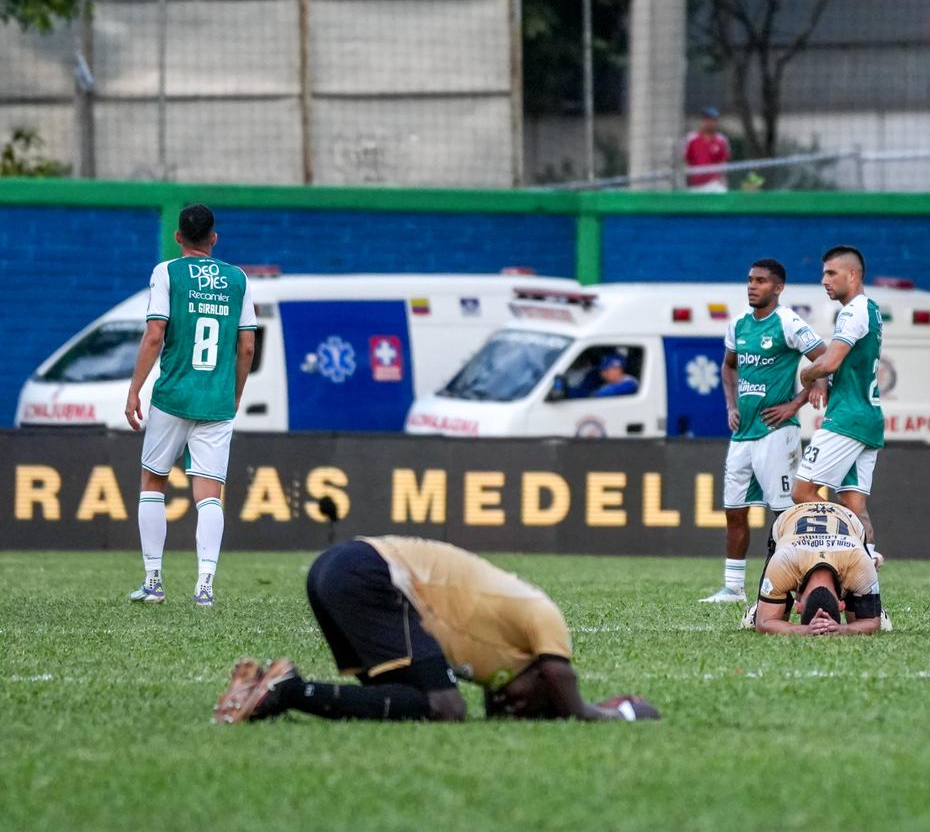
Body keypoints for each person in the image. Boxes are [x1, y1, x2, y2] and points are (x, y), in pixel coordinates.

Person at [213, 536, 659, 723]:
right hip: (369, 570)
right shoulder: (545, 616)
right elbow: (562, 677)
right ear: (542, 677)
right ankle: (288, 690)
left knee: (406, 701)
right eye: (531, 702)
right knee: (447, 706)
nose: (509, 703)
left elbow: (510, 694)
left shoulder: (499, 659)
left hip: (339, 569)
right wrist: (600, 715)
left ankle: (269, 692)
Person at [125, 204, 256, 606]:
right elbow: (247, 346)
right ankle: (204, 587)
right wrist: (235, 393)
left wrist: (134, 390)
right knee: (209, 494)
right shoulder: (238, 279)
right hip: (216, 401)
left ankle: (153, 581)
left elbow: (154, 334)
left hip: (173, 396)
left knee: (153, 481)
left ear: (178, 237)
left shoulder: (167, 272)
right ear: (214, 238)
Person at [701, 258, 826, 603]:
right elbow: (728, 367)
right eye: (750, 280)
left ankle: (796, 585)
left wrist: (795, 404)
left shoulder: (788, 322)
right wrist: (731, 406)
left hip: (777, 431)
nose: (752, 286)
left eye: (760, 281)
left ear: (778, 287)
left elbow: (824, 358)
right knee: (734, 510)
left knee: (784, 514)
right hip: (743, 435)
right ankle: (733, 588)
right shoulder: (739, 325)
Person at [793, 246, 884, 556]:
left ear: (853, 274)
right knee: (854, 504)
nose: (824, 280)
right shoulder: (872, 309)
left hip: (847, 418)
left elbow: (830, 362)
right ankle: (868, 569)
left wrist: (807, 374)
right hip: (869, 418)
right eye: (824, 274)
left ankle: (850, 548)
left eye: (831, 273)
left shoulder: (853, 311)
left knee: (802, 492)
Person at [753, 502, 883, 636]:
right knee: (766, 617)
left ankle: (864, 598)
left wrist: (840, 629)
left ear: (798, 607)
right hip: (792, 519)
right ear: (841, 606)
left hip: (842, 520)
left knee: (774, 618)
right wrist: (843, 629)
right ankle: (762, 605)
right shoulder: (783, 561)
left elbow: (765, 624)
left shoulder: (859, 563)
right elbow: (762, 624)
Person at [684, 107, 731, 193]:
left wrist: (720, 180)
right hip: (695, 185)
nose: (710, 123)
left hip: (714, 184)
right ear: (703, 121)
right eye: (707, 119)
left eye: (713, 120)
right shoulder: (691, 139)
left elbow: (723, 162)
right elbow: (687, 160)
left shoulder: (721, 140)